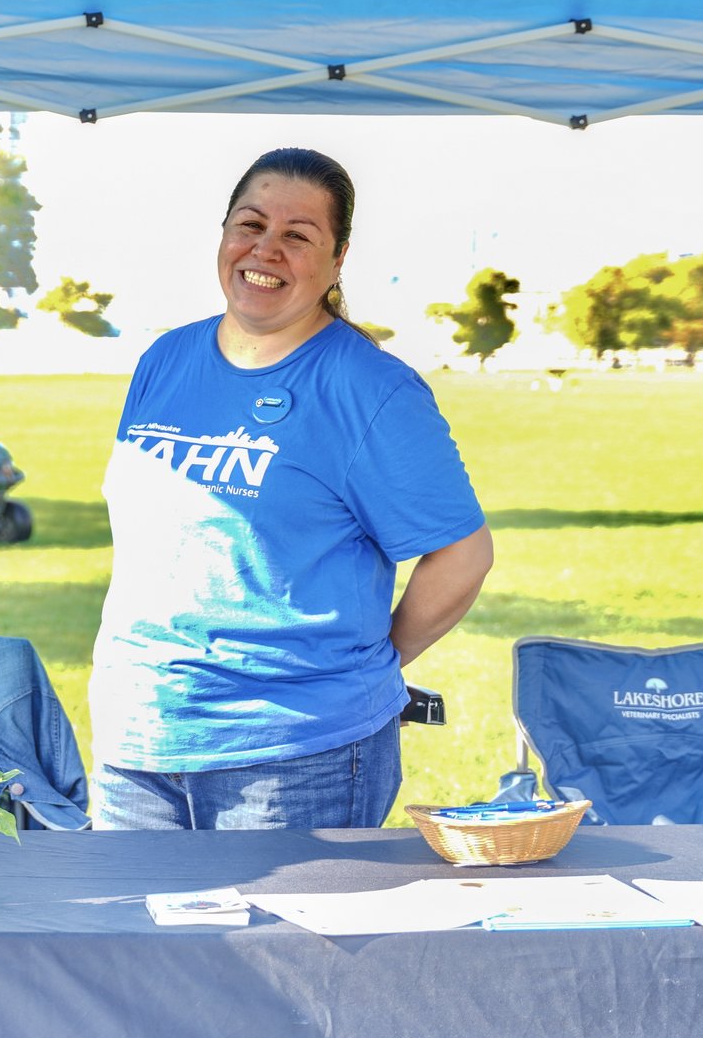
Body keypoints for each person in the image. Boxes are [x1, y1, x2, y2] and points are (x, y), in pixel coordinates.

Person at [88, 147, 493, 831]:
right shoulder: (165, 360)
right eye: (250, 225)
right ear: (224, 234)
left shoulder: (371, 390)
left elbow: (463, 554)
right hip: (138, 739)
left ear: (337, 261)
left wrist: (368, 666)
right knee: (132, 908)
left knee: (281, 913)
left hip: (296, 756)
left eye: (298, 236)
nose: (266, 249)